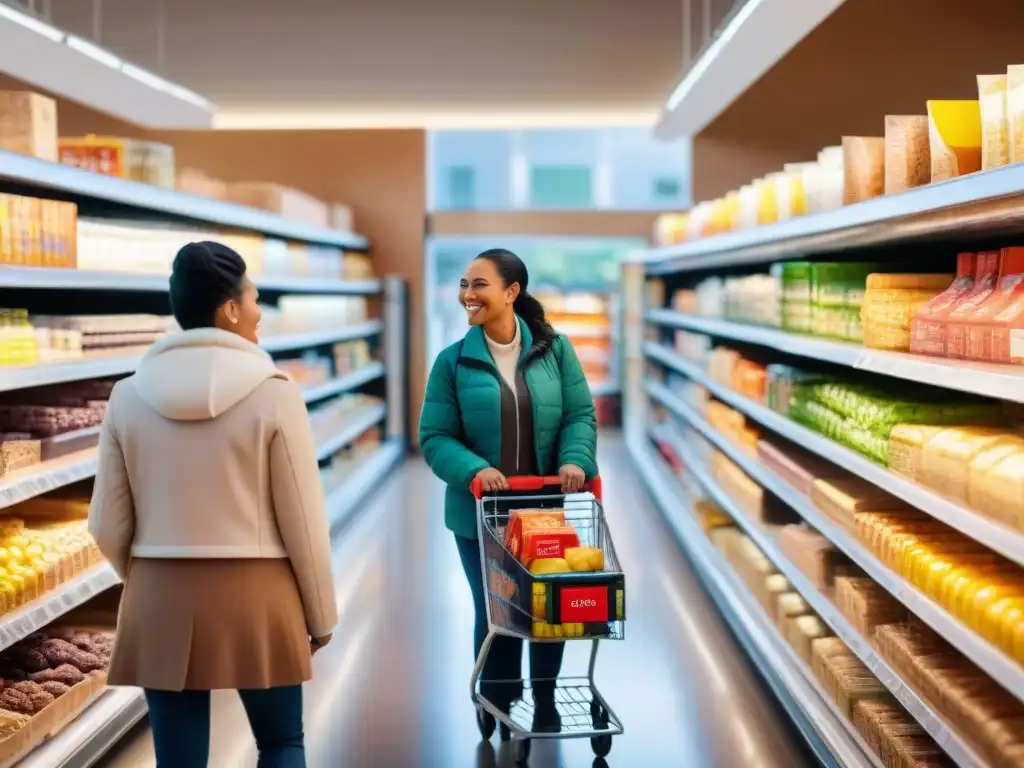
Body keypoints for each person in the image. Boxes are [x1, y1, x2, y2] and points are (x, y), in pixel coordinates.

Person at [88, 241, 337, 768]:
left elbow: (106, 522)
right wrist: (319, 614)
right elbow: (304, 522)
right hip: (259, 593)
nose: (258, 311)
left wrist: (151, 571)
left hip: (159, 598)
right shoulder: (275, 393)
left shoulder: (127, 396)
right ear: (228, 309)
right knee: (281, 743)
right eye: (253, 299)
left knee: (178, 761)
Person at [419, 248, 598, 736]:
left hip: (544, 508)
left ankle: (544, 698)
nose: (467, 295)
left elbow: (579, 415)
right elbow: (434, 437)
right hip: (481, 514)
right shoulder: (452, 362)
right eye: (463, 285)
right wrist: (476, 468)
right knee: (496, 609)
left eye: (479, 285)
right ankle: (495, 698)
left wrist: (574, 460)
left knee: (546, 603)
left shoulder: (555, 351)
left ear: (511, 292)